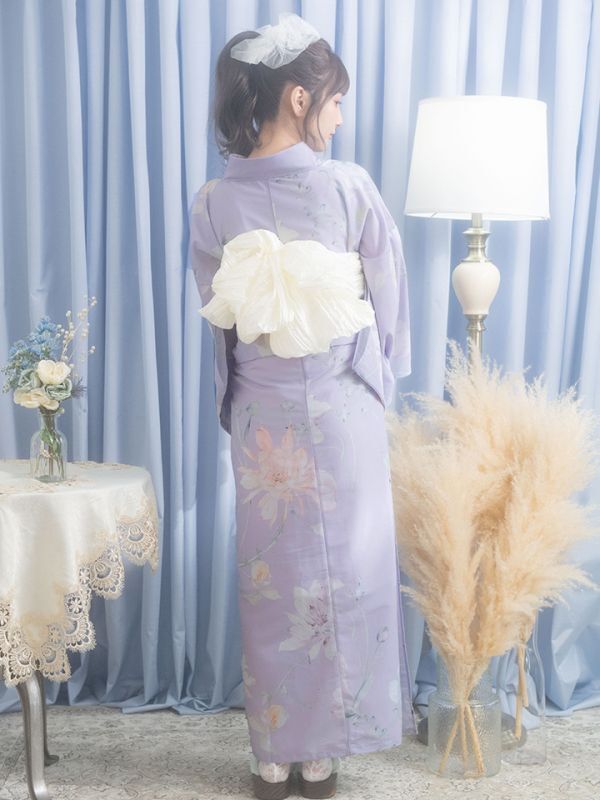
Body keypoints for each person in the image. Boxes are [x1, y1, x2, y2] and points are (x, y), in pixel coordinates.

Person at [189, 12, 415, 800]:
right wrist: (383, 370)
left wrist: (237, 395)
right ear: (297, 98)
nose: (340, 116)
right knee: (347, 570)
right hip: (344, 402)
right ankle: (322, 756)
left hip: (263, 413)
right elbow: (387, 293)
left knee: (273, 579)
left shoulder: (213, 201)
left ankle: (273, 755)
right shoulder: (348, 186)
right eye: (336, 100)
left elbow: (220, 315)